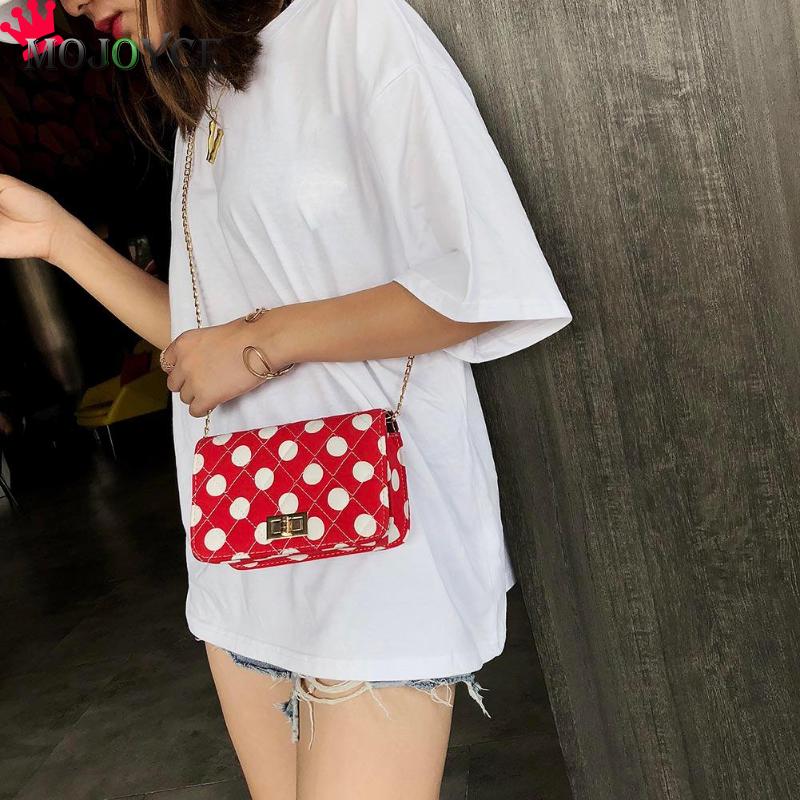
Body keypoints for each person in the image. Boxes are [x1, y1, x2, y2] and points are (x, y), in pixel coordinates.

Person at [0, 0, 572, 796]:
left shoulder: (356, 27)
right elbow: (202, 343)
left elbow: (483, 283)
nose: (66, 4)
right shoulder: (204, 93)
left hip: (379, 537)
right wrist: (58, 238)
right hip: (243, 546)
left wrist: (264, 341)